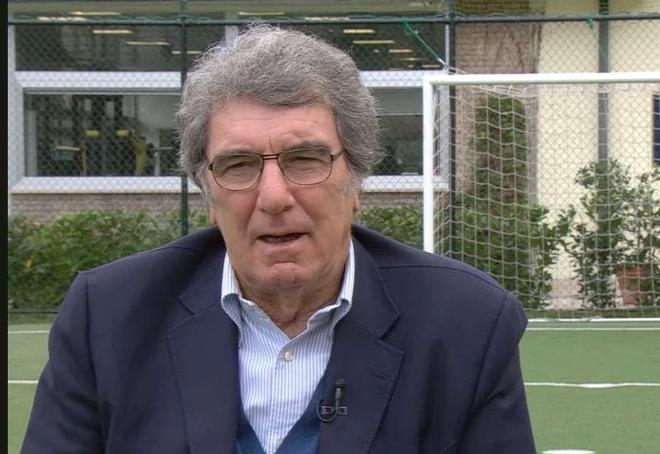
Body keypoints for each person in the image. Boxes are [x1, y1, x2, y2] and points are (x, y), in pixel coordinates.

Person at [22, 25, 535, 453]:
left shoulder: (468, 324)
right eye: (238, 165)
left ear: (356, 181)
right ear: (208, 193)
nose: (273, 196)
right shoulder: (107, 318)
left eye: (304, 160)